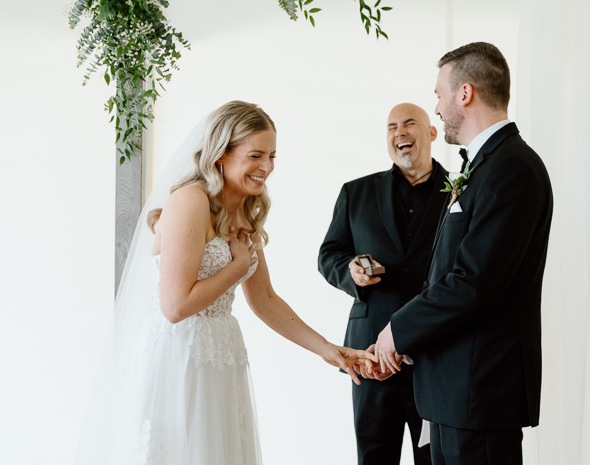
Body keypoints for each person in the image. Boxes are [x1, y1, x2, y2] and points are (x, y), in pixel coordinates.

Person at [74, 100, 371, 465]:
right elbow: (175, 307)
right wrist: (237, 266)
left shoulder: (244, 210)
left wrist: (328, 349)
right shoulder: (189, 201)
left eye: (272, 157)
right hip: (179, 358)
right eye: (256, 155)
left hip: (221, 357)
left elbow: (264, 300)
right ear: (221, 155)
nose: (266, 168)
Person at [370, 43, 554, 465]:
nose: (436, 106)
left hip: (481, 392)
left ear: (465, 93)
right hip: (455, 392)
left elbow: (475, 282)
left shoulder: (512, 168)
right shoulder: (484, 166)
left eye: (439, 93)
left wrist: (398, 329)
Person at [318, 103, 448, 465]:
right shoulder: (355, 192)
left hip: (436, 354)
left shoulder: (460, 192)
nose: (399, 133)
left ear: (432, 133)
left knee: (436, 457)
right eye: (391, 127)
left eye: (409, 124)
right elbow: (328, 255)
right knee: (374, 458)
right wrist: (351, 272)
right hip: (370, 355)